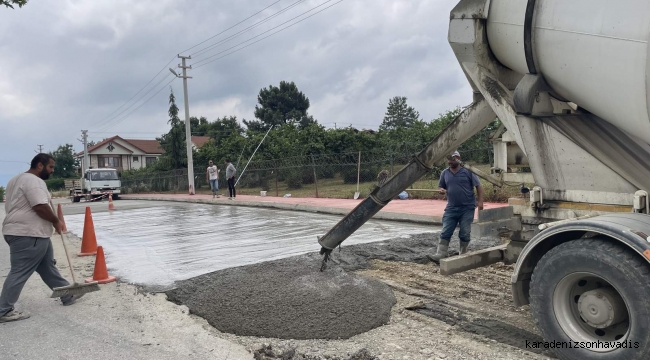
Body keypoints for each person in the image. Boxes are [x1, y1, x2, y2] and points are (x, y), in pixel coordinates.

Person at [0, 154, 83, 323]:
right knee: (20, 271)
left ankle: (67, 294)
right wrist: (56, 221)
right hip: (29, 233)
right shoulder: (34, 181)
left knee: (47, 266)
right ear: (40, 165)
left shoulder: (16, 179)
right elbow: (39, 206)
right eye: (51, 167)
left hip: (25, 232)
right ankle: (3, 310)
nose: (52, 171)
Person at [428, 150, 484, 263]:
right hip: (451, 208)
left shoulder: (468, 172)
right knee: (446, 230)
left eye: (452, 159)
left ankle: (463, 253)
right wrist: (441, 191)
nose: (449, 162)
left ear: (458, 158)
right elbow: (441, 187)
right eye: (448, 159)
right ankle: (441, 254)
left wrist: (480, 201)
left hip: (467, 208)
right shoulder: (445, 173)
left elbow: (479, 186)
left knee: (465, 232)